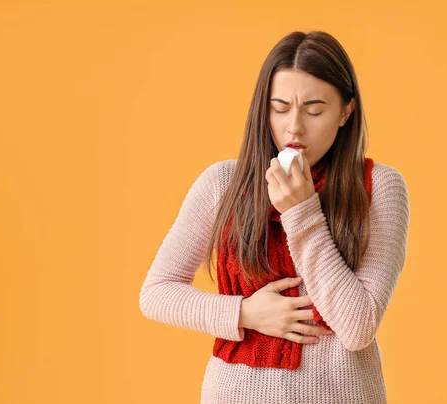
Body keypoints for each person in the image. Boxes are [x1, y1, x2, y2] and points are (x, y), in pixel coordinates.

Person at [139, 30, 410, 404]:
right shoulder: (222, 183)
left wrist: (302, 212)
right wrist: (244, 313)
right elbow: (156, 293)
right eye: (280, 107)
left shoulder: (380, 188)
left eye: (314, 110)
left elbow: (357, 326)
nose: (294, 127)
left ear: (346, 111)